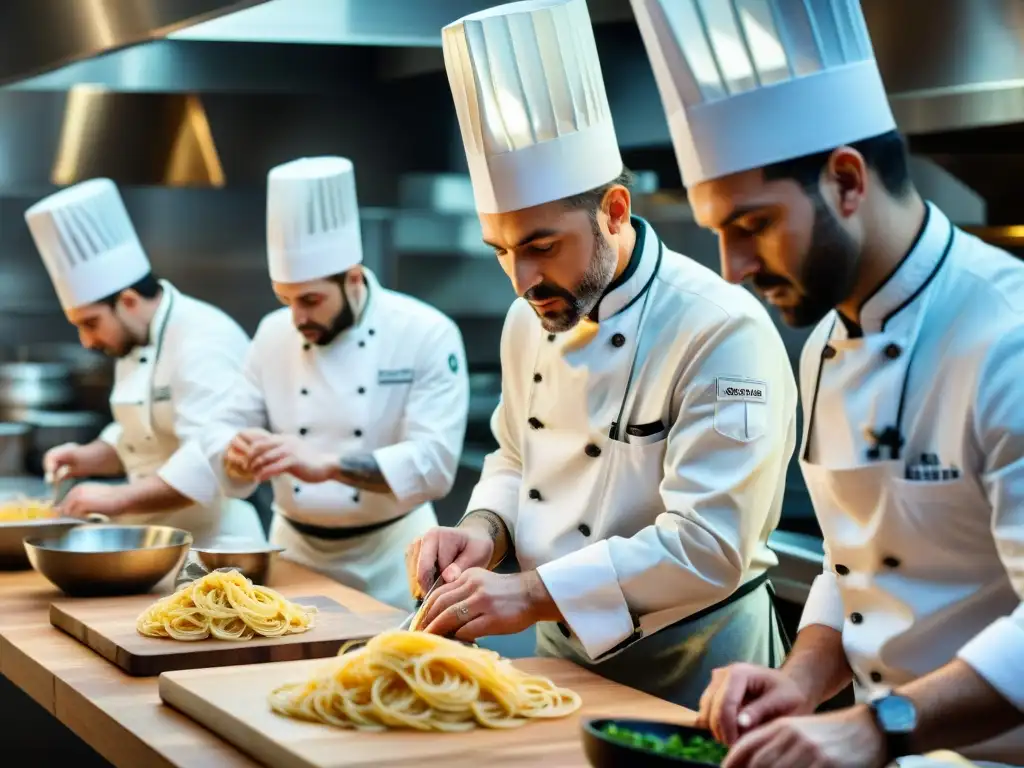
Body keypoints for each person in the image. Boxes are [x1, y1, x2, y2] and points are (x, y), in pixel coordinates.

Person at [629, 0, 1024, 764]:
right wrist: (802, 679)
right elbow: (856, 558)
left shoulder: (1007, 336)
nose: (731, 270)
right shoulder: (824, 344)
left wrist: (874, 726)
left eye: (751, 226)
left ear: (846, 179)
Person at [406, 0, 798, 710]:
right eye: (502, 252)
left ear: (615, 211)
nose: (522, 280)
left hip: (700, 666)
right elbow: (516, 456)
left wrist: (530, 592)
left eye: (541, 246)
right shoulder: (529, 316)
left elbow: (708, 544)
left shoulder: (719, 328)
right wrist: (481, 530)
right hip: (563, 652)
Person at [202, 155, 469, 611]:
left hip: (394, 558)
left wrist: (325, 464)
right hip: (293, 554)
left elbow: (435, 464)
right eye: (285, 299)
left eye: (310, 300)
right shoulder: (272, 333)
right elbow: (222, 426)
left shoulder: (424, 331)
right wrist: (236, 452)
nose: (297, 317)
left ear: (352, 278)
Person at [25, 178, 264, 546]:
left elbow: (208, 461)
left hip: (213, 546)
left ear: (130, 301)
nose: (87, 341)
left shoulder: (204, 339)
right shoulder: (134, 337)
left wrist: (117, 498)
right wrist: (89, 456)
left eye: (91, 324)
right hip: (155, 539)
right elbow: (143, 436)